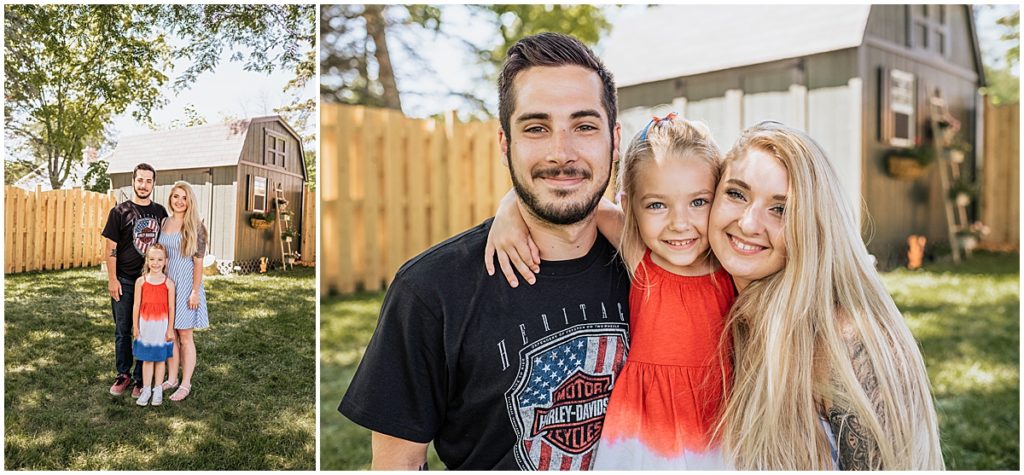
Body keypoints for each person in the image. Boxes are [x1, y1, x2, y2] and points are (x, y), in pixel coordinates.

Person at [339, 32, 631, 470]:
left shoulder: (655, 266)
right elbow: (398, 464)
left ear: (615, 139)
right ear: (505, 145)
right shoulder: (430, 292)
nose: (561, 152)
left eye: (584, 126)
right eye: (536, 128)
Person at [487, 115, 735, 469]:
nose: (679, 223)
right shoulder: (641, 255)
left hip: (720, 427)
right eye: (657, 205)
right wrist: (509, 207)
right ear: (629, 205)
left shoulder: (732, 265)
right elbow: (570, 199)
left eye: (699, 202)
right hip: (644, 436)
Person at [707, 121, 943, 469]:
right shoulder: (725, 308)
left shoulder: (845, 340)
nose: (749, 223)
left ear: (814, 226)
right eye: (736, 194)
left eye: (781, 209)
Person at [102, 163, 169, 398]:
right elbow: (110, 248)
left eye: (149, 181)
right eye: (140, 180)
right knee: (123, 329)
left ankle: (142, 378)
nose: (144, 185)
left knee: (146, 330)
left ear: (153, 184)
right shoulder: (119, 212)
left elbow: (169, 241)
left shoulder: (160, 212)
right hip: (124, 280)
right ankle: (123, 374)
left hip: (150, 283)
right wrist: (112, 279)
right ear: (133, 181)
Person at [158, 181, 210, 402]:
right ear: (170, 199)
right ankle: (172, 378)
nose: (179, 201)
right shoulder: (164, 222)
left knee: (185, 336)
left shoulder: (196, 227)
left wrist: (195, 291)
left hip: (187, 284)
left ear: (190, 201)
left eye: (184, 197)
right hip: (166, 285)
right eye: (175, 196)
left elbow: (198, 263)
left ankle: (186, 383)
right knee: (170, 334)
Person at [132, 243, 176, 406]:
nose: (155, 263)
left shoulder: (168, 283)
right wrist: (136, 327)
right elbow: (136, 305)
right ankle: (146, 389)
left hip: (162, 327)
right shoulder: (141, 282)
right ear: (147, 260)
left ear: (165, 261)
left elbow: (171, 308)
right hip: (145, 327)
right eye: (152, 259)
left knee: (160, 359)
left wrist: (170, 329)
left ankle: (158, 389)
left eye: (159, 259)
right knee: (147, 359)